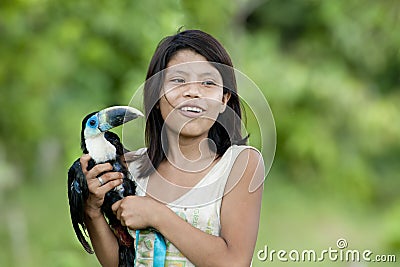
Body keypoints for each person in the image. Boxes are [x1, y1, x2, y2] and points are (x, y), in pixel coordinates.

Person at [80, 29, 265, 267]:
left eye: (208, 83)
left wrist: (156, 215)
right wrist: (92, 211)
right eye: (178, 80)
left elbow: (234, 262)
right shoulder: (129, 167)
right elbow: (120, 263)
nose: (192, 91)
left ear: (223, 100)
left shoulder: (240, 164)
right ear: (157, 95)